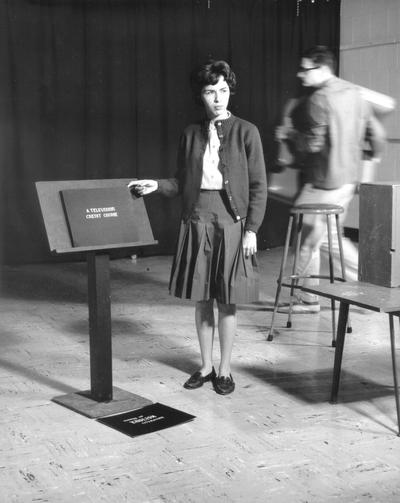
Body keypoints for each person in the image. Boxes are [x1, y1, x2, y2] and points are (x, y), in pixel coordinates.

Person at [129, 60, 267, 394]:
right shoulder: (190, 133)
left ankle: (224, 370)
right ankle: (205, 366)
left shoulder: (247, 131)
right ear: (200, 96)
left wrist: (251, 230)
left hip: (231, 220)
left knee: (227, 299)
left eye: (223, 90)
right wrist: (155, 186)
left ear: (230, 89)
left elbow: (259, 185)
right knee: (202, 298)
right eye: (210, 91)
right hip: (197, 218)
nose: (219, 98)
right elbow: (181, 182)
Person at [276, 46, 386, 314]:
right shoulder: (355, 93)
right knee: (328, 238)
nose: (301, 75)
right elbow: (377, 135)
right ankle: (371, 287)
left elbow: (311, 146)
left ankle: (306, 300)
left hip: (324, 183)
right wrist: (370, 163)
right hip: (347, 181)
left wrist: (288, 135)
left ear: (323, 69)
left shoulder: (318, 100)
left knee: (306, 239)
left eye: (306, 69)